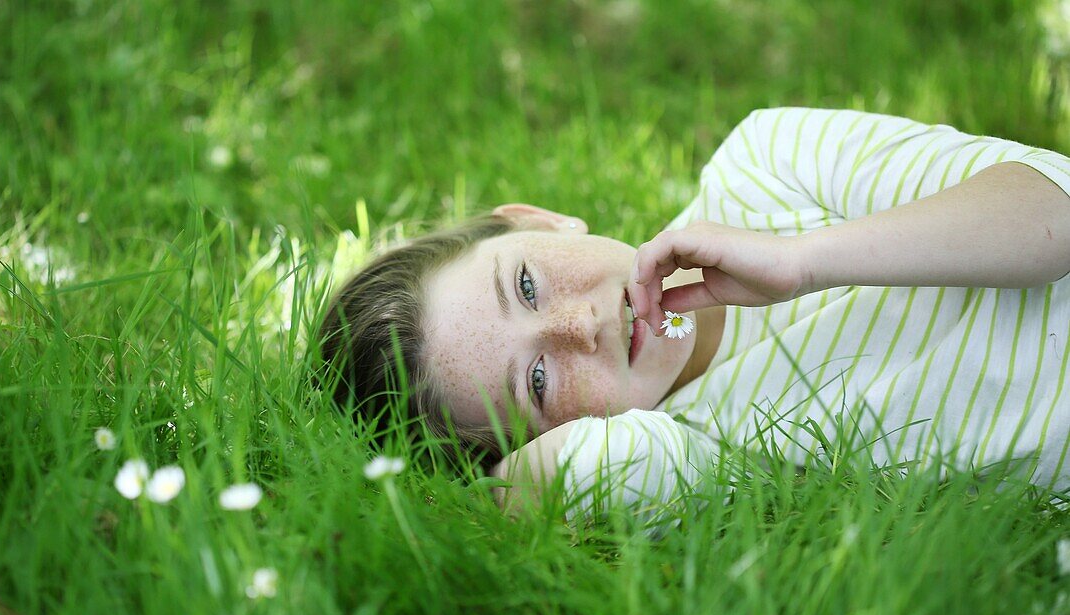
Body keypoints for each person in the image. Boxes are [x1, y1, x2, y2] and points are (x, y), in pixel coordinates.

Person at [319, 107, 1070, 522]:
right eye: (539, 380)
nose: (580, 326)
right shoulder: (688, 451)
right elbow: (559, 481)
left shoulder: (764, 165)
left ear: (541, 220)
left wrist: (807, 258)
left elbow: (1054, 209)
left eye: (526, 286)